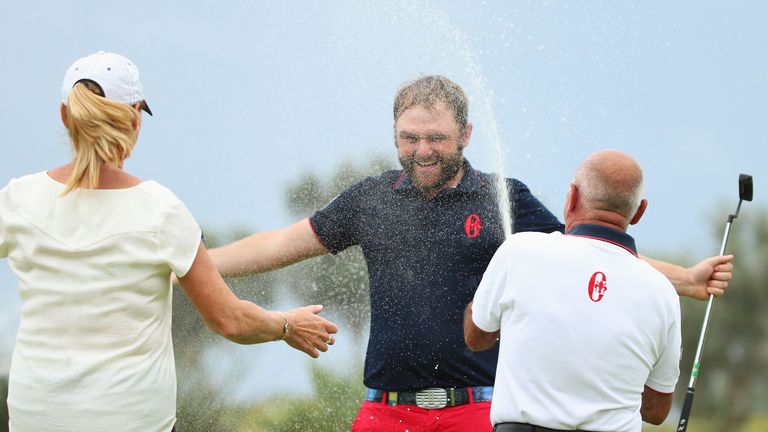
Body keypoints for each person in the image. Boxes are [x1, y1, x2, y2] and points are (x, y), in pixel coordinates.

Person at [208, 75, 733, 431]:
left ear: (465, 134)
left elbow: (595, 253)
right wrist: (197, 263)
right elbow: (282, 243)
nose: (421, 150)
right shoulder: (370, 199)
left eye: (435, 137)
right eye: (408, 138)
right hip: (384, 413)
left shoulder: (503, 199)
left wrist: (684, 279)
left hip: (474, 413)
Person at [0, 51, 337, 432]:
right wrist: (287, 326)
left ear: (65, 116)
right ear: (135, 121)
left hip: (36, 419)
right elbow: (229, 320)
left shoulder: (17, 200)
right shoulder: (160, 210)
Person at [465, 150, 681, 432]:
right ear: (639, 211)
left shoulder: (520, 250)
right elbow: (655, 410)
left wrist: (477, 309)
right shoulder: (662, 292)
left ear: (573, 197)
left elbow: (477, 337)